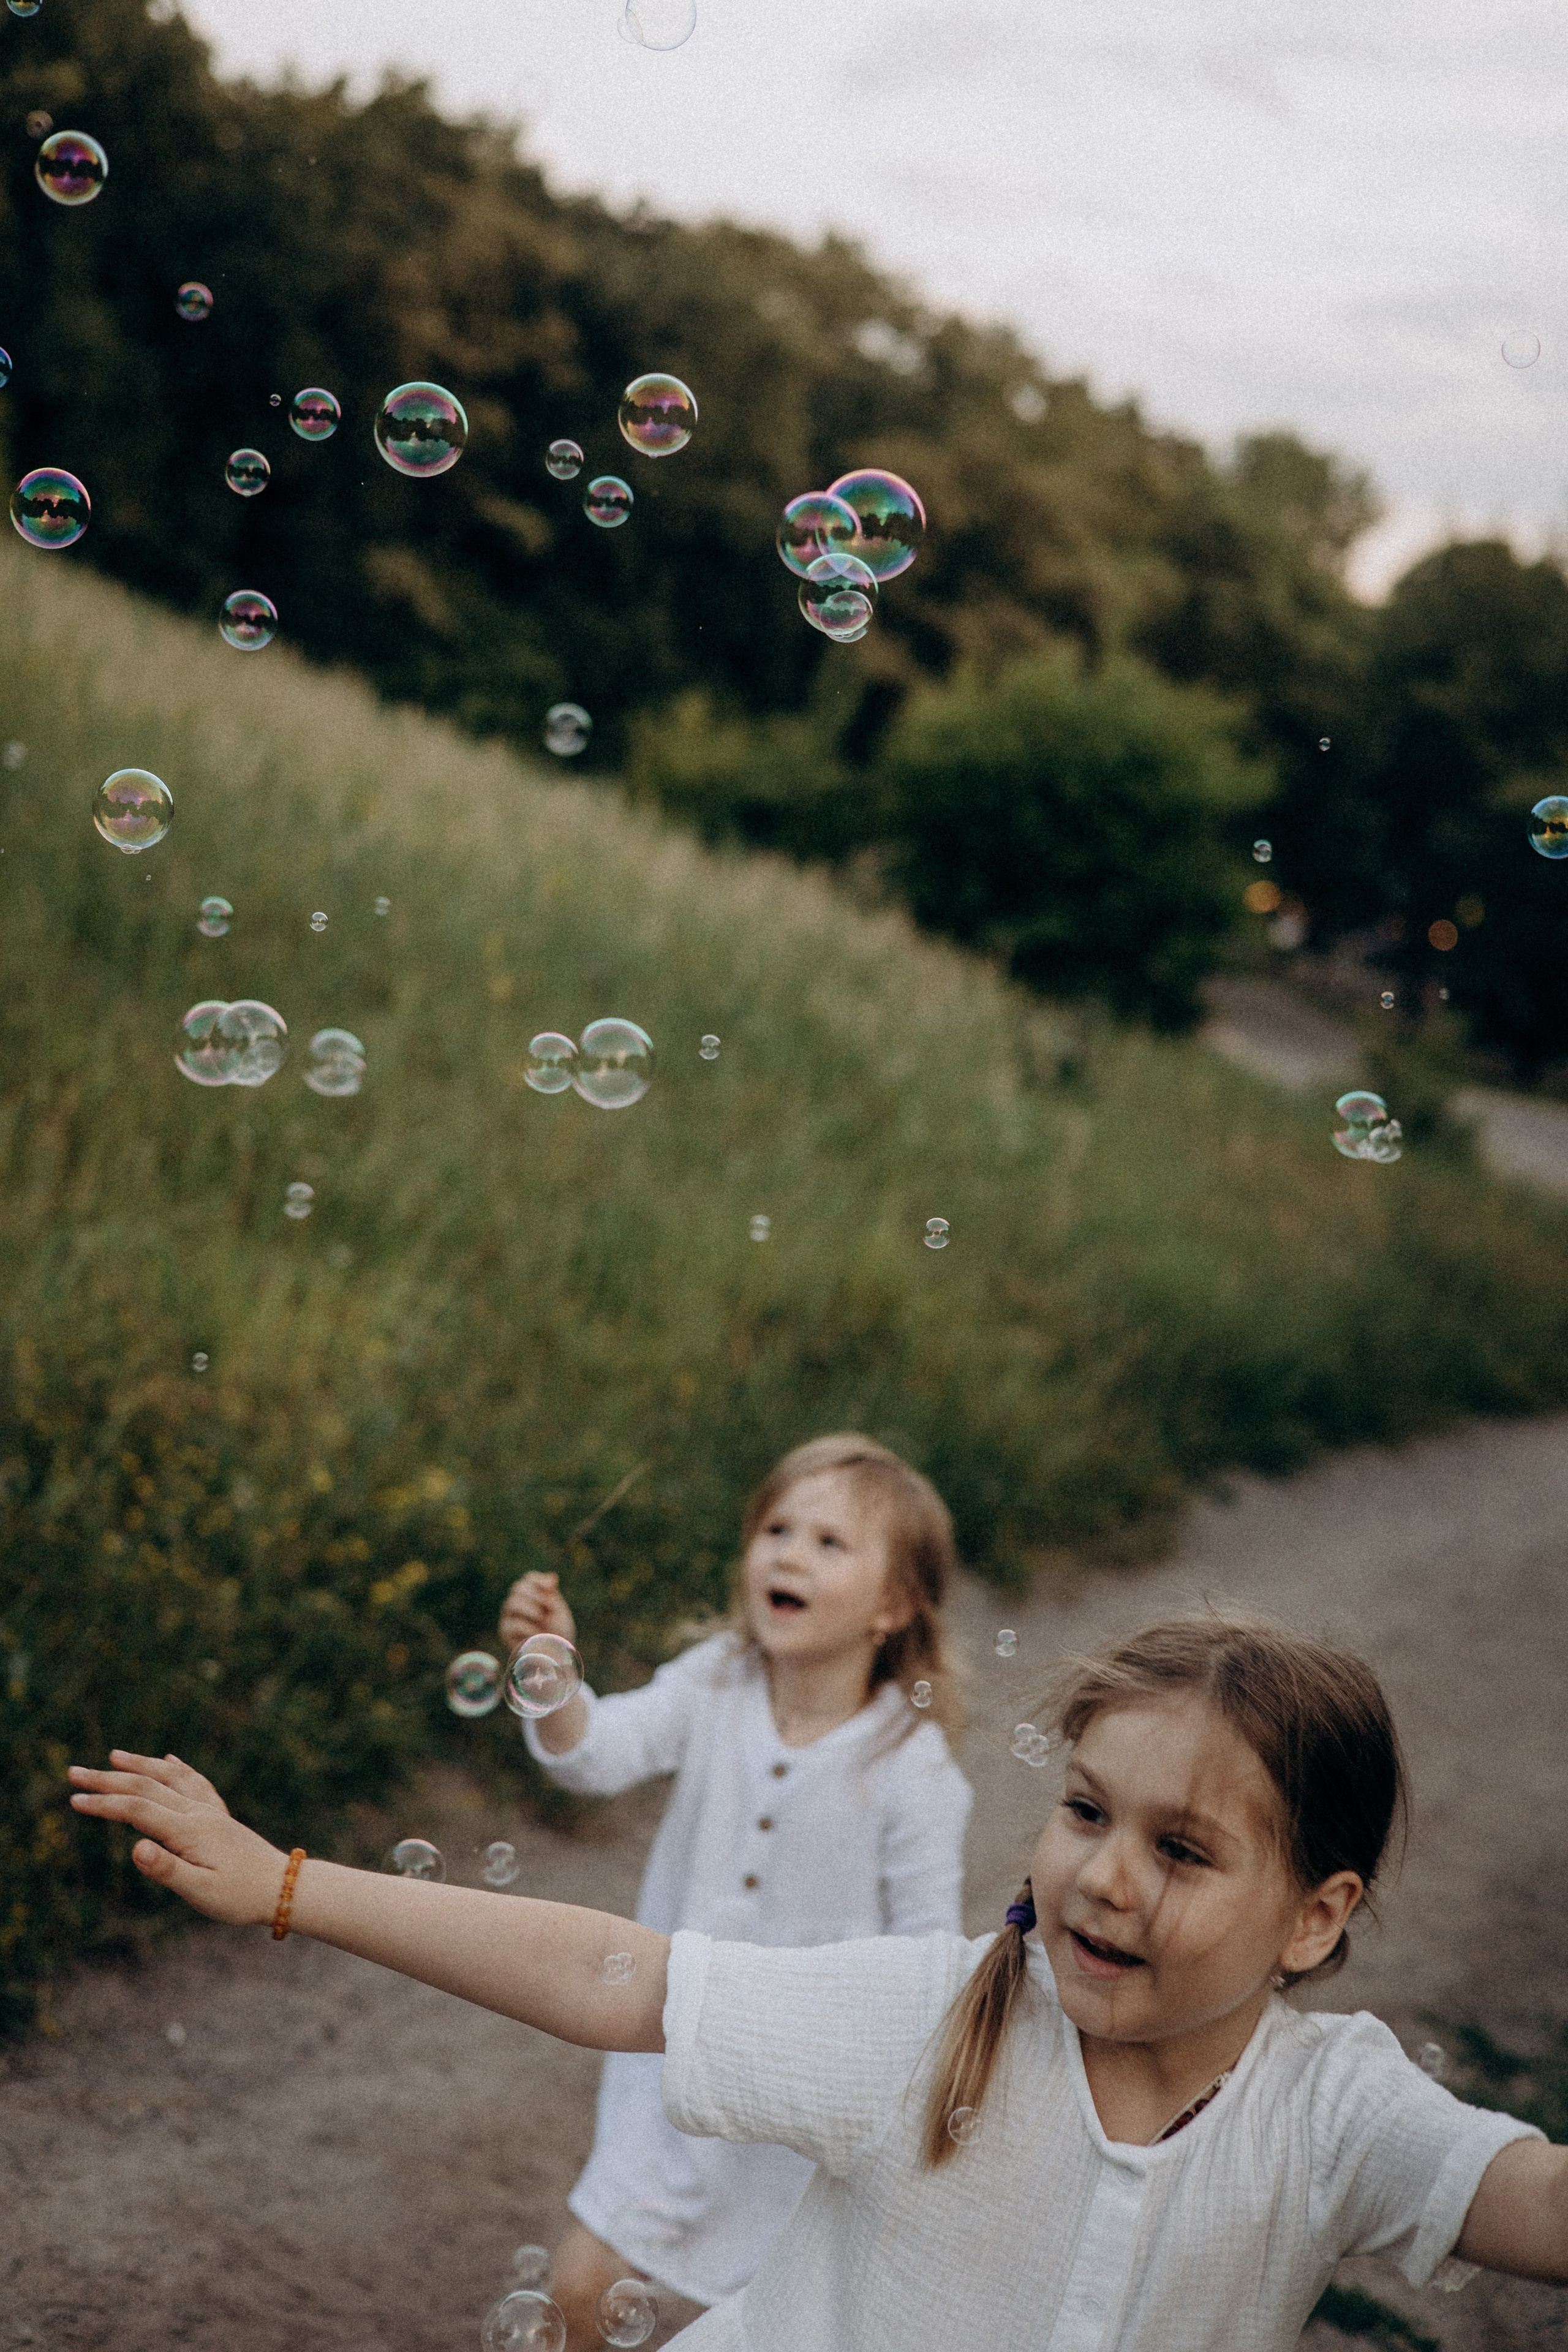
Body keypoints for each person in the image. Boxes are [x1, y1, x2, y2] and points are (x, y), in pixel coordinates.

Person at [67, 1613, 1568, 2352]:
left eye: (1181, 1849)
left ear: (1314, 1917)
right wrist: (284, 1882)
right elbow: (617, 1978)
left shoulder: (1331, 2116)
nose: (1106, 1875)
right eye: (1087, 1812)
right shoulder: (929, 2017)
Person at [494, 1433, 972, 2339]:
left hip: (799, 2108)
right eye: (777, 1529)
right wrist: (556, 1681)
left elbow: (929, 1959)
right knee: (578, 2290)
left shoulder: (913, 1770)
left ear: (896, 1605)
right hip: (669, 2055)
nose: (790, 1553)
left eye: (830, 1544)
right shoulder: (716, 1681)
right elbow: (596, 1755)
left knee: (755, 2324)